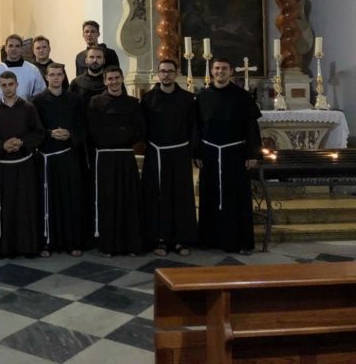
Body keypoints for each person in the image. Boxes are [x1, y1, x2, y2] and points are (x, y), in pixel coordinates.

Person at [195, 58, 262, 254]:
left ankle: (241, 242)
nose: (220, 71)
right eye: (216, 68)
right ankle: (209, 240)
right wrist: (197, 152)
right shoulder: (203, 96)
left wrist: (252, 154)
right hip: (209, 154)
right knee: (209, 195)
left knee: (237, 198)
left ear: (231, 71)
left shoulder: (242, 97)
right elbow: (197, 127)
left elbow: (251, 127)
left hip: (235, 154)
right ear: (212, 71)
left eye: (224, 68)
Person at [140, 60, 198, 256]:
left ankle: (181, 240)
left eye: (170, 71)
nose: (166, 75)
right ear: (158, 73)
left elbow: (193, 127)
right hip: (156, 154)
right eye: (163, 71)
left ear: (177, 73)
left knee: (181, 196)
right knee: (158, 197)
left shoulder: (188, 99)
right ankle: (160, 240)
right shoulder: (148, 99)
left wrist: (192, 152)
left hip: (180, 154)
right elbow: (143, 127)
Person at [85, 65, 144, 256]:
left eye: (117, 78)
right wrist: (119, 134)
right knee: (108, 200)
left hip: (126, 157)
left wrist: (119, 136)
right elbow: (93, 130)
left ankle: (130, 244)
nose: (114, 82)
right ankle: (108, 245)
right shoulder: (95, 102)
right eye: (110, 79)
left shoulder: (133, 103)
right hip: (105, 158)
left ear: (122, 79)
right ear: (104, 81)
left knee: (129, 199)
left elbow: (138, 130)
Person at [0, 71, 45, 258]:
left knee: (25, 207)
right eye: (3, 85)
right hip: (2, 167)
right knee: (4, 207)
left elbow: (38, 132)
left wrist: (22, 142)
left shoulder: (28, 108)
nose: (7, 88)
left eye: (10, 84)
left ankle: (27, 247)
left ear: (17, 84)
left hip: (24, 166)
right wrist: (2, 145)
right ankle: (5, 247)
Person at [32, 63, 85, 257]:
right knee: (48, 201)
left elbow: (82, 126)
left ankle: (72, 242)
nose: (55, 77)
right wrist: (49, 133)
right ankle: (48, 243)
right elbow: (34, 128)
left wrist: (71, 134)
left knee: (70, 200)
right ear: (46, 77)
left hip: (68, 156)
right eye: (52, 74)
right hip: (47, 158)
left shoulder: (75, 100)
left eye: (59, 74)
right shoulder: (37, 101)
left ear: (64, 77)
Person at [0, 34, 46, 102]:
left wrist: (28, 105)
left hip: (26, 107)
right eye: (10, 46)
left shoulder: (32, 70)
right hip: (2, 108)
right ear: (5, 48)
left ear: (21, 48)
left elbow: (40, 92)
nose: (14, 49)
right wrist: (1, 106)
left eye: (17, 46)